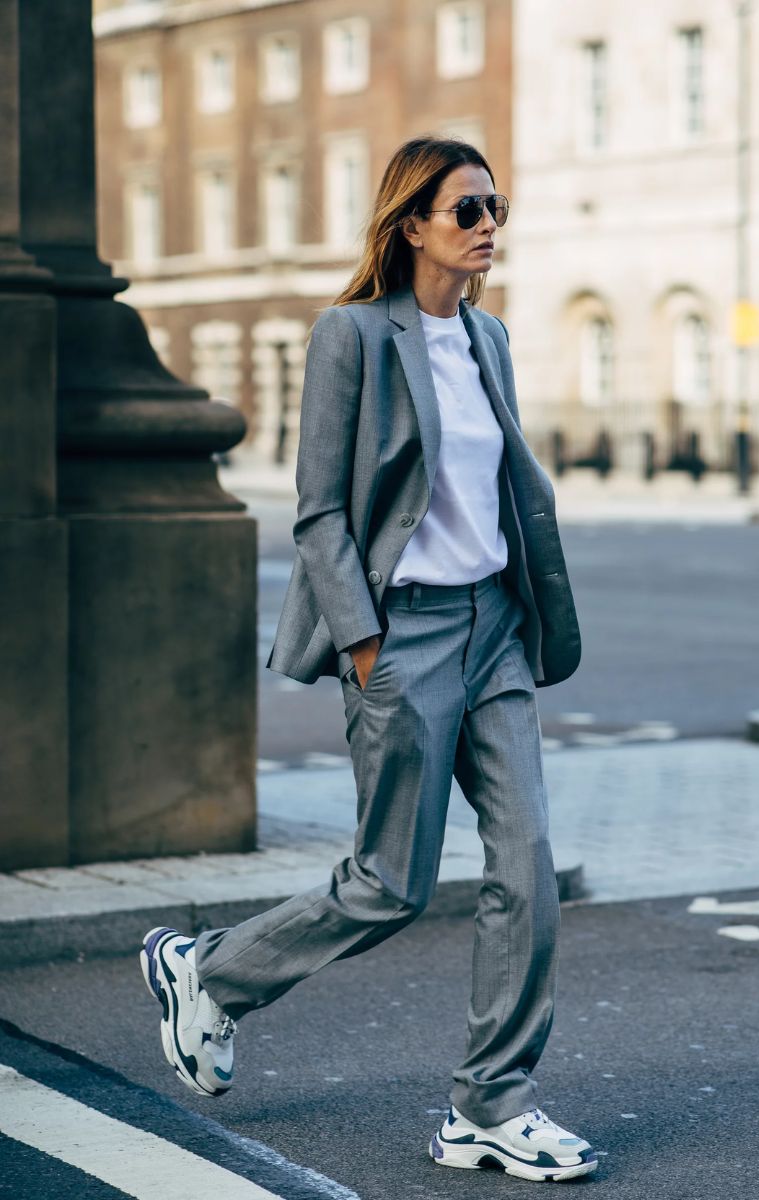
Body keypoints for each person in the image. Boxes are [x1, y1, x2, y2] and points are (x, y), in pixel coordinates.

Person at [140, 135, 597, 1185]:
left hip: (496, 631)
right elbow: (319, 512)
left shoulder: (491, 343)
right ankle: (207, 970)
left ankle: (488, 1105)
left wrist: (520, 612)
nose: (489, 229)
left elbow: (499, 491)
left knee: (526, 868)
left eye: (496, 209)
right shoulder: (350, 335)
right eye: (468, 210)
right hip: (404, 635)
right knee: (390, 883)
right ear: (412, 225)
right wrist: (363, 645)